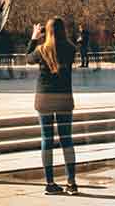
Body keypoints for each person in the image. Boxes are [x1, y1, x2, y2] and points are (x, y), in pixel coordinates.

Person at [26, 18, 78, 196]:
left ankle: (50, 183)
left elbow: (28, 58)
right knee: (67, 140)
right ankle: (71, 182)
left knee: (46, 140)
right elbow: (68, 46)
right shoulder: (70, 49)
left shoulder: (40, 50)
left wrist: (34, 38)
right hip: (63, 98)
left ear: (46, 32)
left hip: (44, 99)